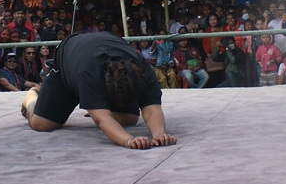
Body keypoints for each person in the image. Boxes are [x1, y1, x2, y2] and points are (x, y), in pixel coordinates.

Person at [21, 32, 177, 150]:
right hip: (67, 65)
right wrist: (128, 140)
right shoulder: (89, 73)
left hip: (96, 53)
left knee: (129, 119)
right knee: (41, 124)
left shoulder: (143, 69)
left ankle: (94, 106)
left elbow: (152, 108)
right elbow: (102, 119)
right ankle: (33, 96)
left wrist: (159, 135)